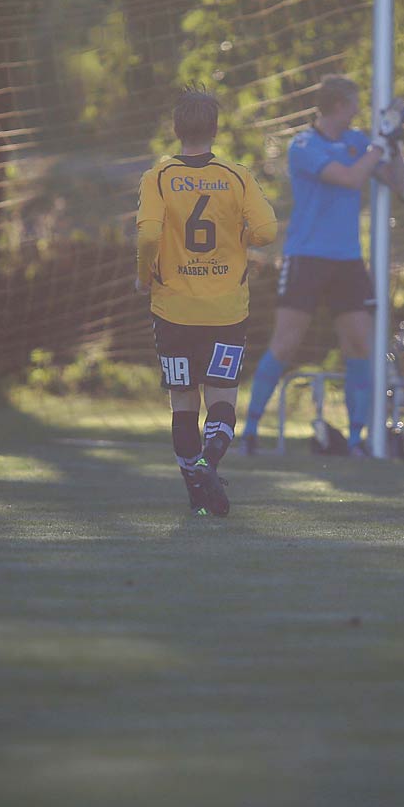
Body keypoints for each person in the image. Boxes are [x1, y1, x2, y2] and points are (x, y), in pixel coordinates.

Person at [238, 74, 404, 456]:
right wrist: (379, 145)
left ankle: (358, 439)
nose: (359, 110)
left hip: (346, 260)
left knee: (359, 345)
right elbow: (348, 178)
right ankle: (248, 432)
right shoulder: (304, 145)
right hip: (307, 257)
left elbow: (396, 182)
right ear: (339, 107)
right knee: (285, 344)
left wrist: (395, 143)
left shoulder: (359, 142)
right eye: (355, 103)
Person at [137, 89, 278, 515]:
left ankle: (197, 494)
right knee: (222, 398)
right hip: (225, 311)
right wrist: (245, 236)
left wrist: (144, 276)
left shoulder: (158, 177)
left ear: (176, 130)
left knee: (183, 402)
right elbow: (267, 231)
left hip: (173, 310)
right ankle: (208, 462)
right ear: (215, 130)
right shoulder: (236, 176)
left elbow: (146, 235)